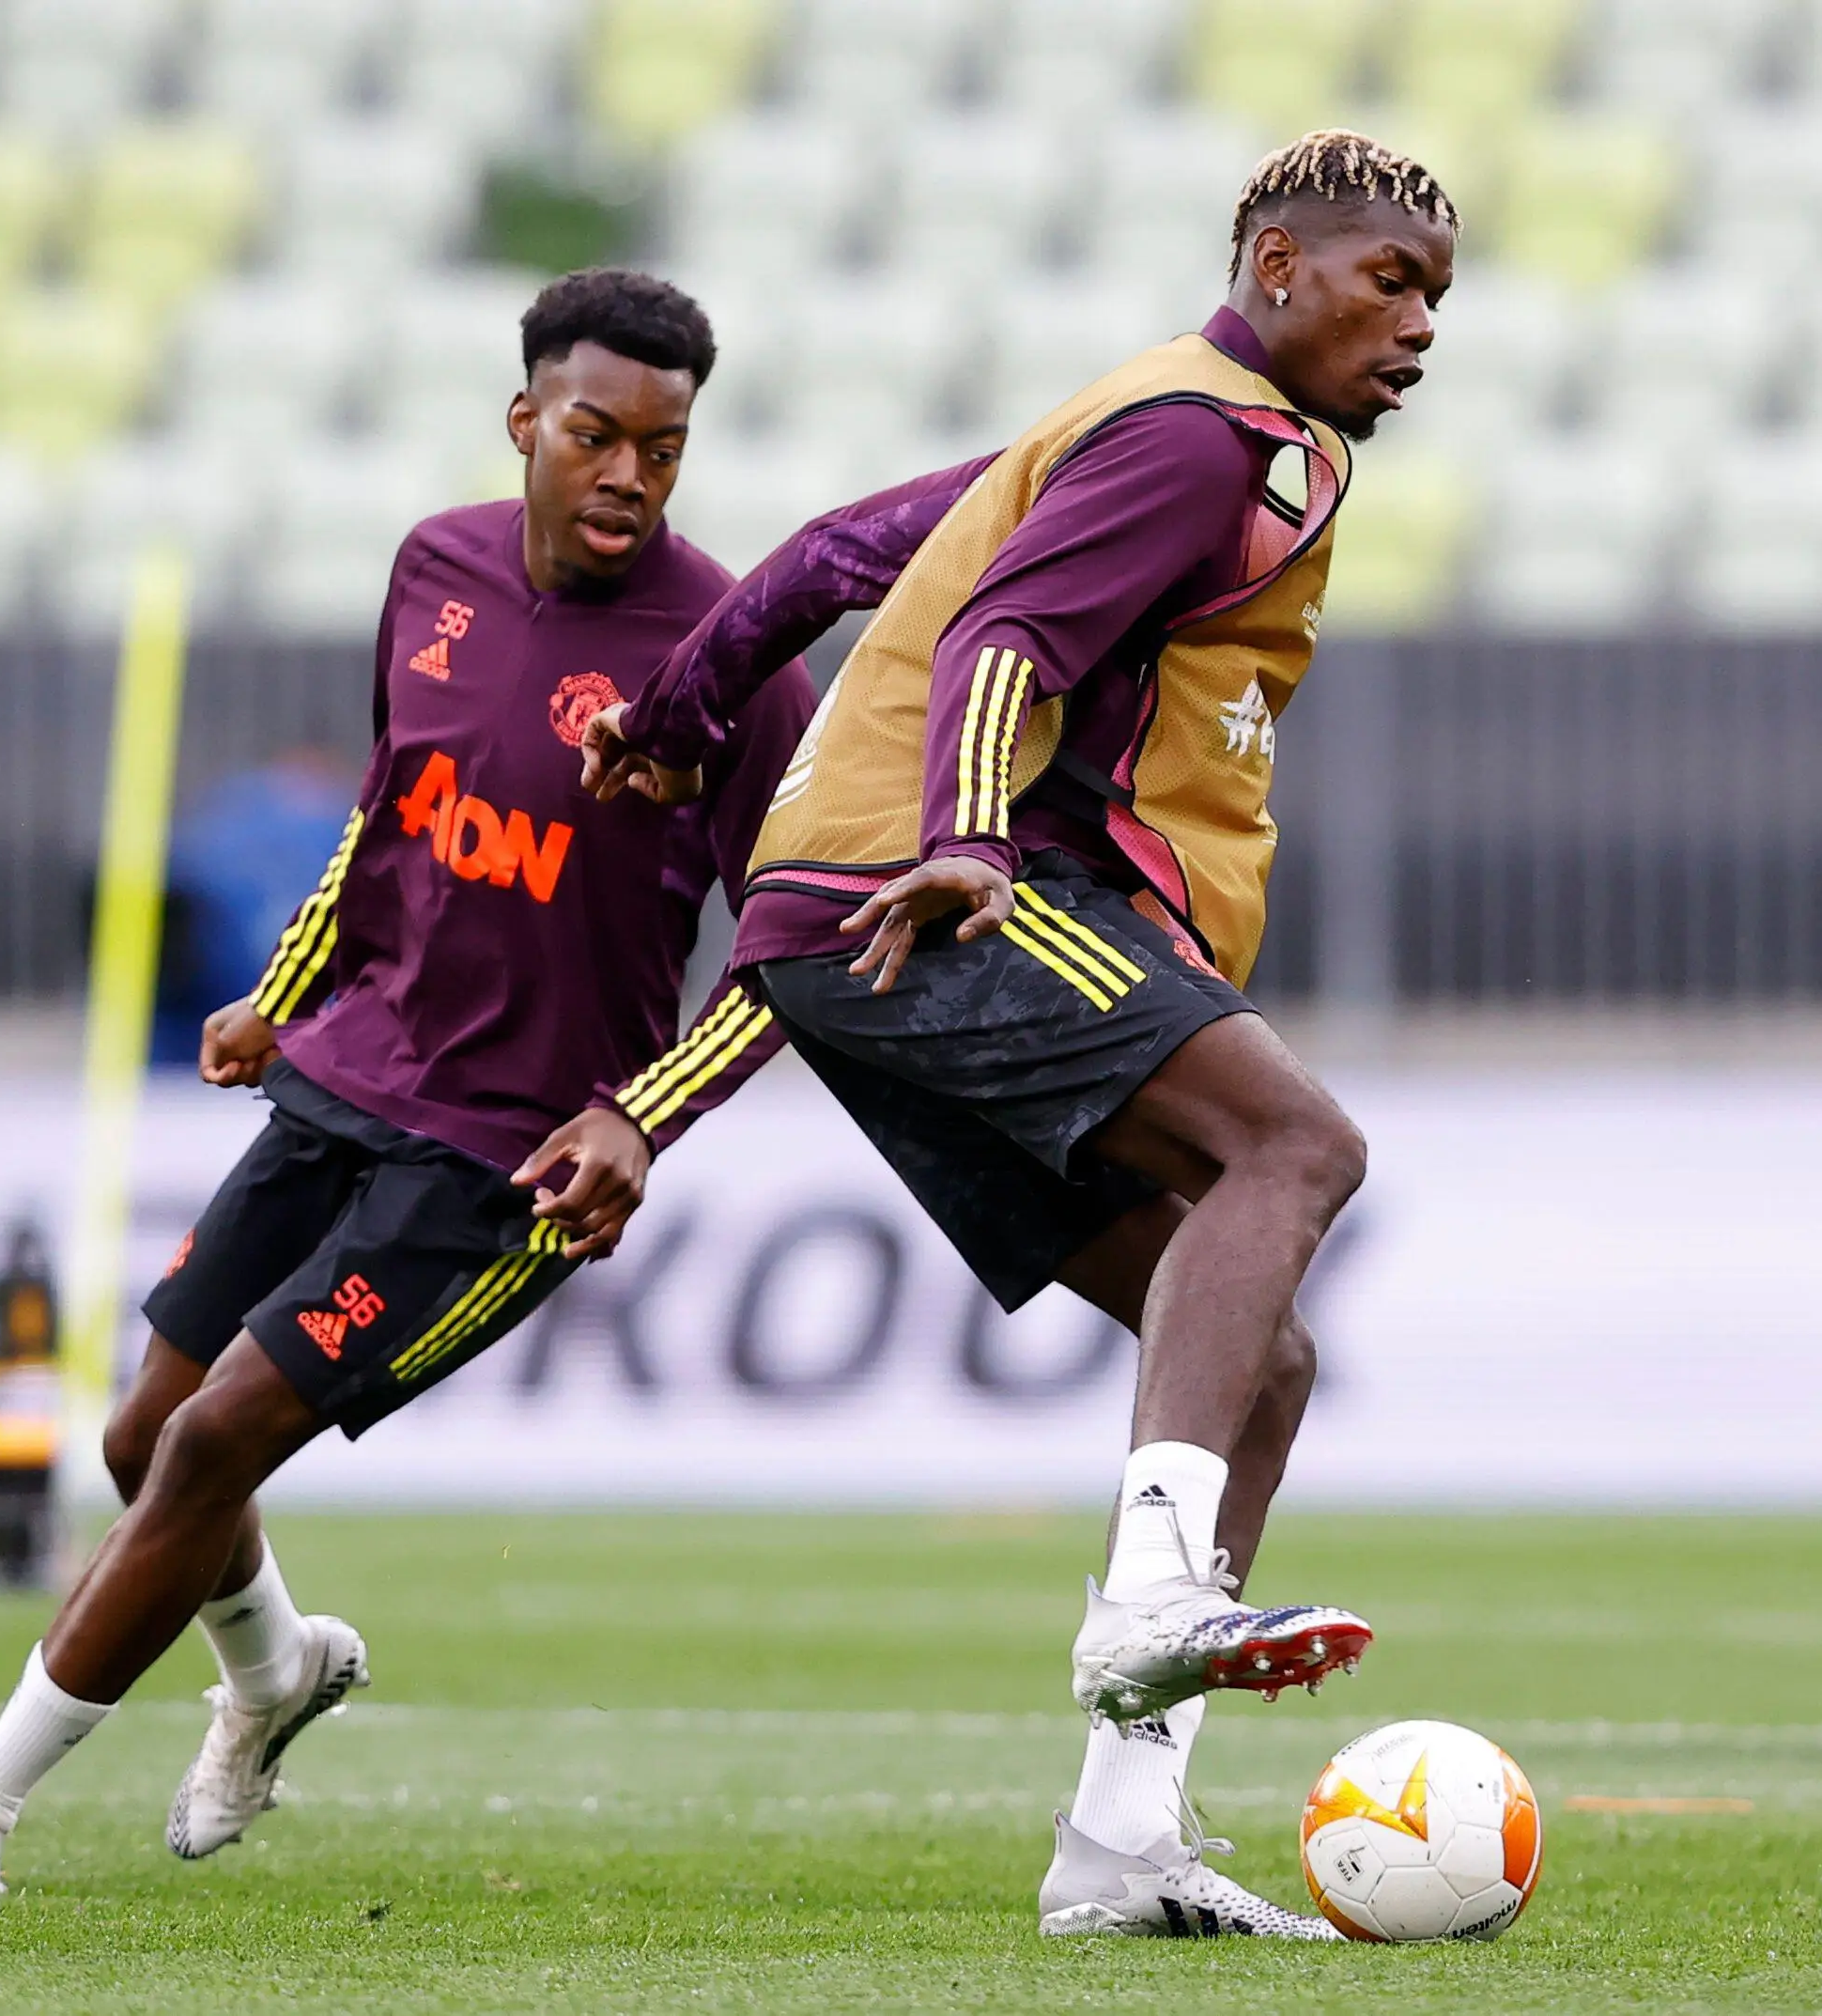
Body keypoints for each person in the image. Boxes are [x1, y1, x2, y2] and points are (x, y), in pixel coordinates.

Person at [579, 130, 1456, 1939]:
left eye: (1437, 297)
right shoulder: (1200, 434)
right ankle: (1154, 1596)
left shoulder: (1121, 425)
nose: (1419, 325)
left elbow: (835, 552)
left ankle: (1118, 1846)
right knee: (1295, 1146)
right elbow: (997, 641)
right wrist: (970, 836)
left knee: (1262, 1360)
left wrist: (675, 718)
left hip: (844, 926)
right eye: (1389, 281)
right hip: (931, 893)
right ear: (1274, 267)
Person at [0, 270, 813, 1896]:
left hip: (510, 1161)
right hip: (358, 1066)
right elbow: (393, 812)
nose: (627, 475)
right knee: (145, 1434)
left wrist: (640, 1115)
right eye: (595, 435)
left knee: (209, 1447)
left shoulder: (729, 654)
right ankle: (274, 1673)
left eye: (663, 449)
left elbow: (791, 944)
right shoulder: (433, 566)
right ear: (524, 419)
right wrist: (285, 989)